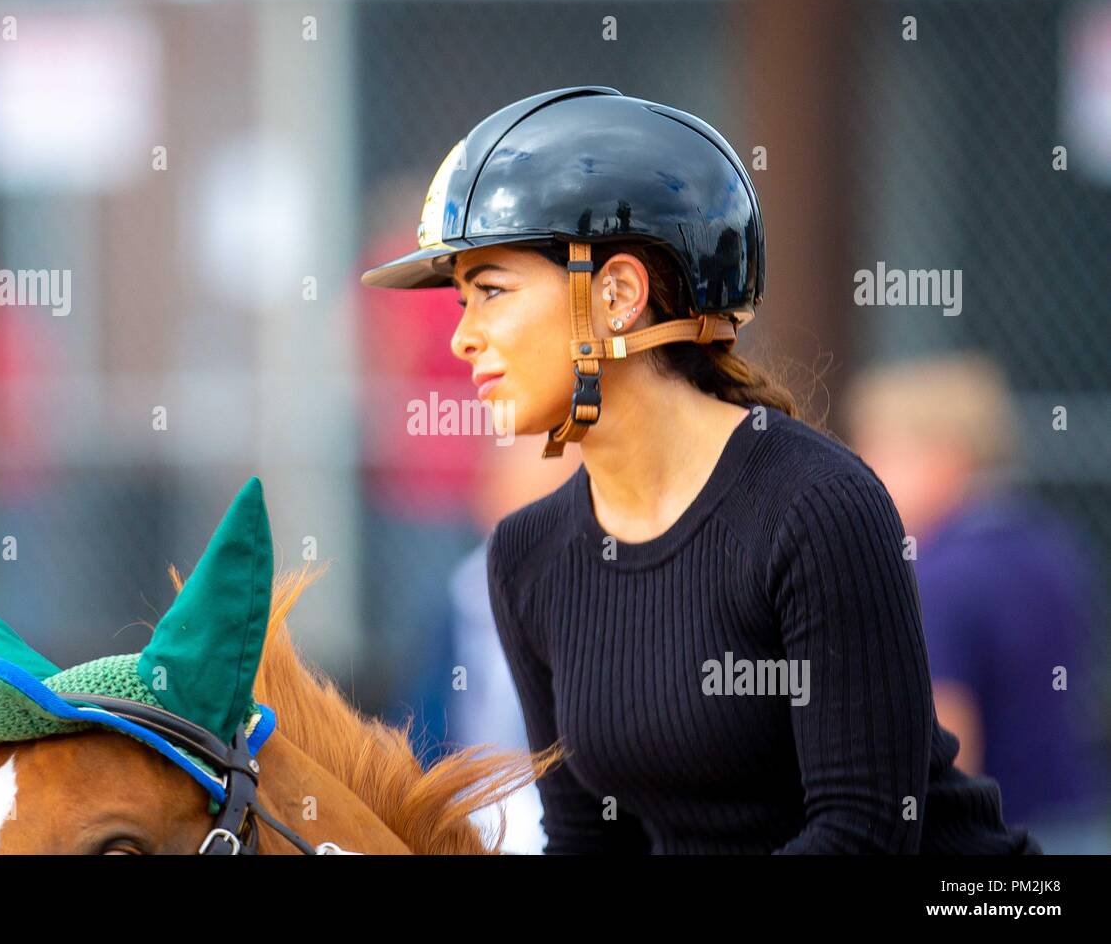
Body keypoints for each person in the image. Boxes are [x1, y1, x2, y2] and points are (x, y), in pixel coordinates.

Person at [361, 86, 1040, 853]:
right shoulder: (526, 554)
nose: (462, 339)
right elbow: (587, 842)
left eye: (489, 292)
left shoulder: (817, 505)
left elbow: (862, 837)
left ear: (617, 294)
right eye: (459, 302)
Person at [848, 354, 1110, 853]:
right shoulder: (1054, 545)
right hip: (1082, 824)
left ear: (947, 458)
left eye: (882, 450)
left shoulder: (941, 577)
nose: (864, 470)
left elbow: (954, 764)